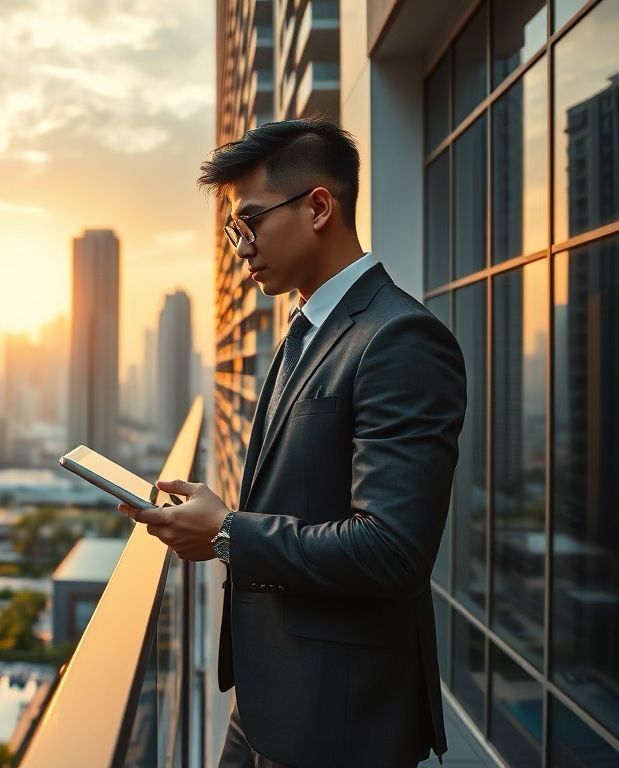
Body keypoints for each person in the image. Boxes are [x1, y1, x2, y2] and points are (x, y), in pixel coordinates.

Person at [120, 117, 467, 768]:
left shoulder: (401, 341)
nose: (239, 248)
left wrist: (226, 534)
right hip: (264, 701)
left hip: (336, 725)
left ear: (316, 207)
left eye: (248, 223)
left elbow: (393, 551)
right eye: (232, 231)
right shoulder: (304, 332)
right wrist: (215, 513)